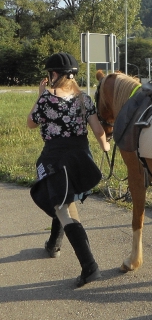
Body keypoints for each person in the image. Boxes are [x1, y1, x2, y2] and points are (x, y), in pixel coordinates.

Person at [27, 52, 110, 287]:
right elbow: (97, 129)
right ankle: (53, 243)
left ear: (54, 75)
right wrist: (105, 145)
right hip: (80, 158)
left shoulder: (47, 99)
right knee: (64, 198)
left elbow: (31, 123)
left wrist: (40, 96)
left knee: (62, 207)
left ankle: (89, 267)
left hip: (57, 159)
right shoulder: (85, 99)